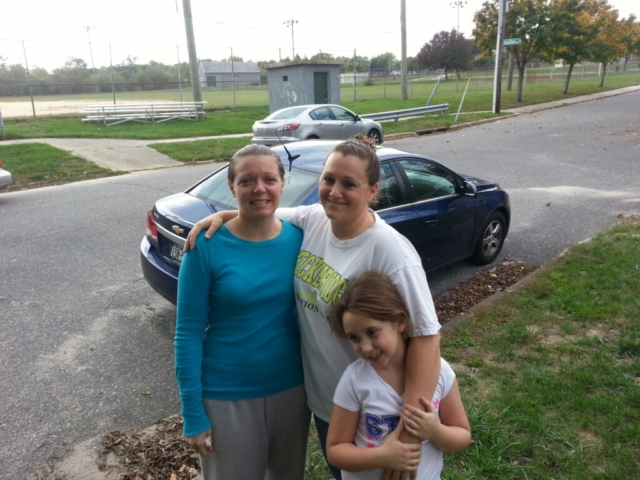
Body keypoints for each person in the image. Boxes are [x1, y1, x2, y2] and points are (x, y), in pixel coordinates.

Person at [184, 135, 442, 480]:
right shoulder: (315, 219)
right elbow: (263, 211)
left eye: (349, 184)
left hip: (374, 411)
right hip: (322, 400)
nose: (335, 192)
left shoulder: (391, 252)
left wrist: (409, 430)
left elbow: (427, 336)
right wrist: (224, 215)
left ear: (372, 191)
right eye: (329, 179)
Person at [174, 144, 310, 480]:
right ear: (232, 187)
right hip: (226, 396)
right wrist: (192, 413)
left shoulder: (301, 239)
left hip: (292, 390)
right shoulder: (204, 246)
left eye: (269, 179)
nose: (259, 188)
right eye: (247, 181)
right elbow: (188, 333)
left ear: (283, 184)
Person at [326, 271, 471, 480]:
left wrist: (435, 431)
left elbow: (462, 435)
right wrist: (381, 456)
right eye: (354, 338)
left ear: (399, 323)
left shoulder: (440, 371)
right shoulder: (355, 380)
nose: (365, 347)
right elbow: (335, 450)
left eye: (372, 332)